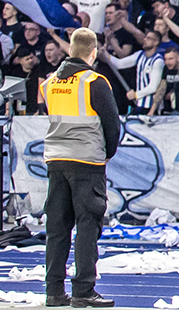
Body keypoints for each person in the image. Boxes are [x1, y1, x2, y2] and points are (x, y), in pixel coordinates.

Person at [42, 28, 120, 308]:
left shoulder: (49, 83)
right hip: (87, 161)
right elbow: (112, 124)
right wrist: (108, 153)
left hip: (56, 159)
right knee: (88, 225)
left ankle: (54, 292)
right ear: (94, 52)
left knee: (57, 227)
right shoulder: (94, 81)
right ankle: (83, 290)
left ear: (69, 49)